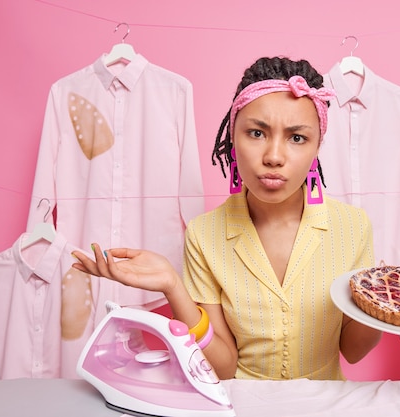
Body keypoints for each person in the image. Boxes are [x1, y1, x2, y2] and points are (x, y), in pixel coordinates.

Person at [72, 56, 381, 380]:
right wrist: (172, 286)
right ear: (233, 136)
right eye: (257, 133)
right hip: (240, 405)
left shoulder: (352, 228)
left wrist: (380, 301)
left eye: (297, 138)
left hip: (326, 406)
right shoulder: (204, 235)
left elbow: (354, 351)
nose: (274, 157)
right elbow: (223, 366)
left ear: (317, 146)